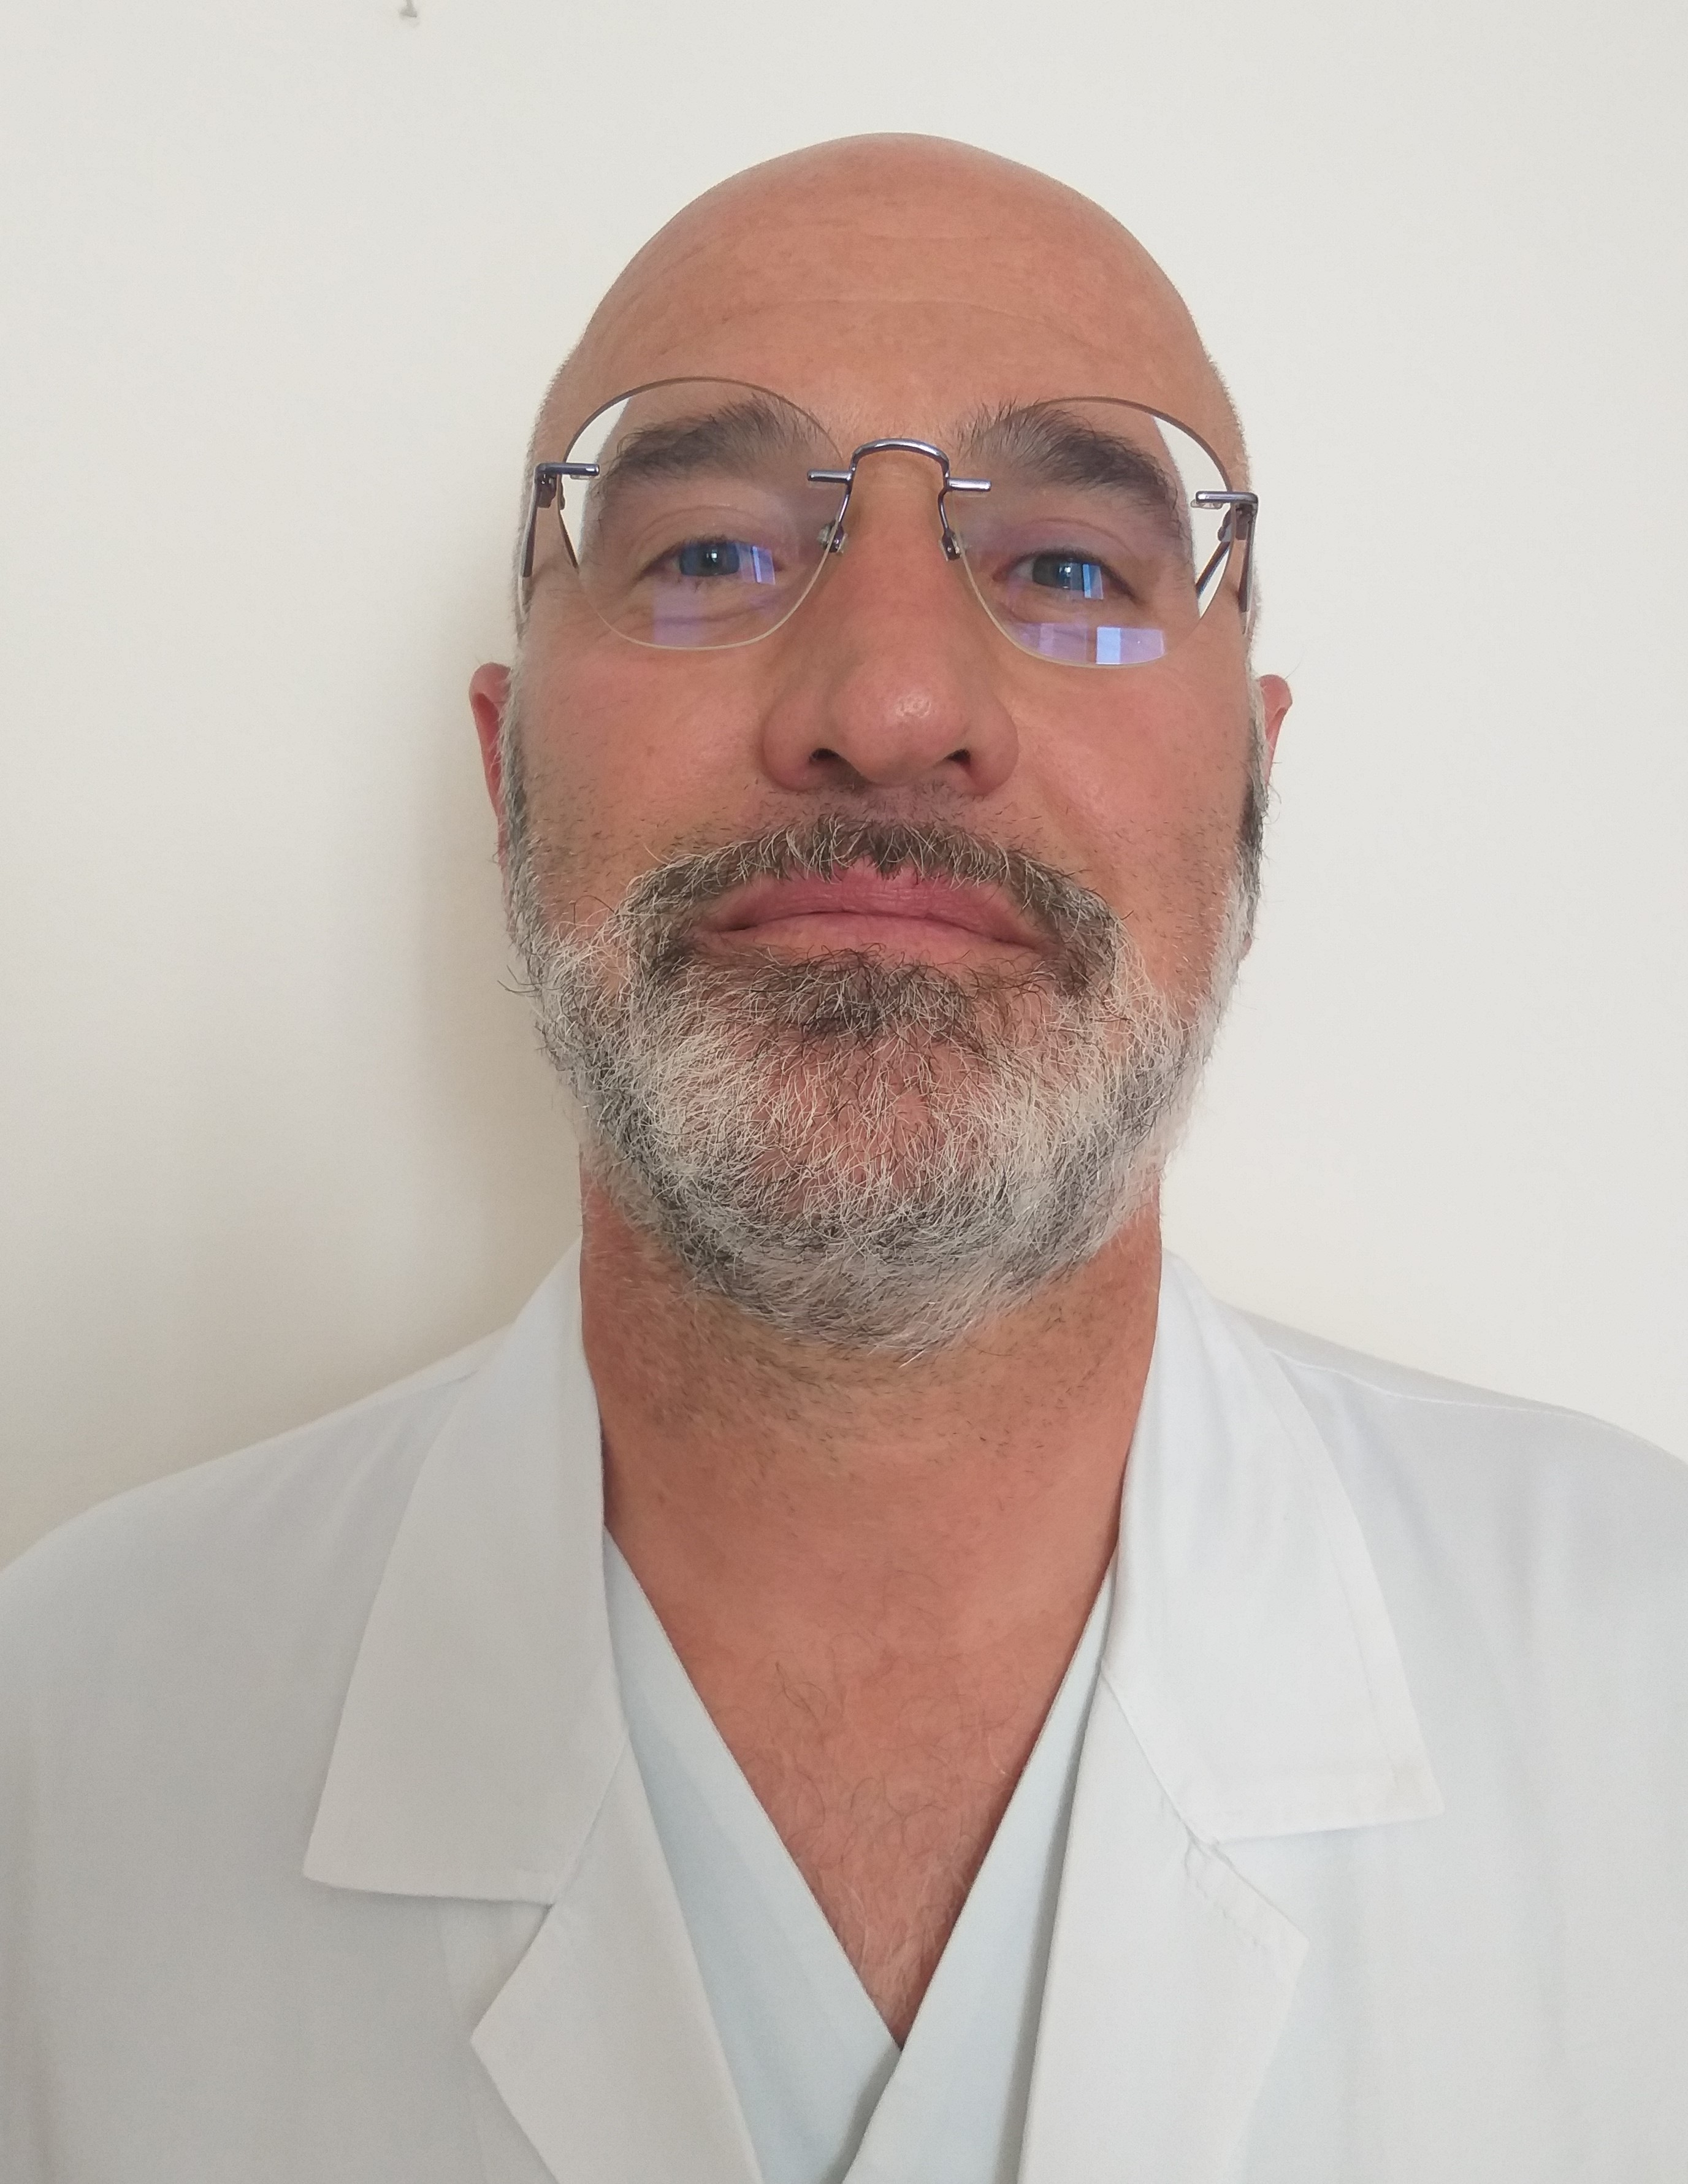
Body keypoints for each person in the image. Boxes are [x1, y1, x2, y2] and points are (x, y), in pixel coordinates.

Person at [2, 133, 1684, 2184]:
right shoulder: (60, 1754)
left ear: (1250, 791)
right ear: (504, 773)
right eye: (710, 551)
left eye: (1071, 569)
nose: (889, 703)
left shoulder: (1646, 1693)